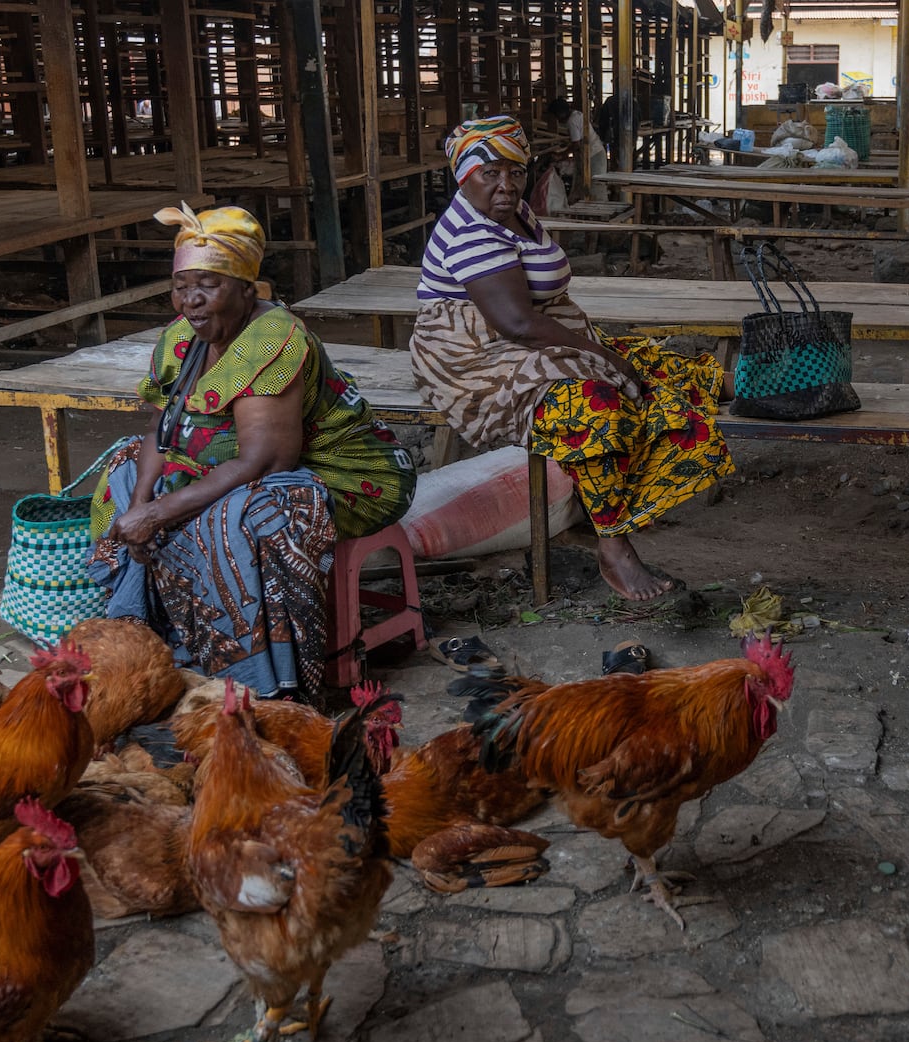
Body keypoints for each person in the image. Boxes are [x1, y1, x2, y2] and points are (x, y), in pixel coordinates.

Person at [87, 203, 417, 699]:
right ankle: (157, 639)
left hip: (348, 476)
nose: (191, 302)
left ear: (246, 288)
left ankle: (257, 681)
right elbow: (164, 426)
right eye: (181, 287)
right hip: (241, 459)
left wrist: (159, 513)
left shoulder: (271, 339)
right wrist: (140, 504)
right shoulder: (184, 337)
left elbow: (265, 461)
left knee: (247, 513)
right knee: (125, 467)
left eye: (208, 286)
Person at [410, 117, 733, 602]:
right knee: (593, 405)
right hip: (476, 360)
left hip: (525, 337)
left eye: (514, 172)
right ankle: (613, 545)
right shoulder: (471, 235)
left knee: (648, 366)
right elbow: (516, 324)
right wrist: (600, 357)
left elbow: (532, 316)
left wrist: (604, 354)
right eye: (489, 173)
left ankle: (749, 387)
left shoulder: (513, 210)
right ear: (463, 176)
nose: (506, 185)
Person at [546, 98, 608, 202]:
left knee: (596, 187)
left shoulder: (571, 121)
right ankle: (590, 212)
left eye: (556, 116)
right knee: (586, 187)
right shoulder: (576, 114)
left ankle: (601, 214)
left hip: (594, 155)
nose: (557, 119)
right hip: (594, 153)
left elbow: (576, 145)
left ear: (561, 113)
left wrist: (561, 155)